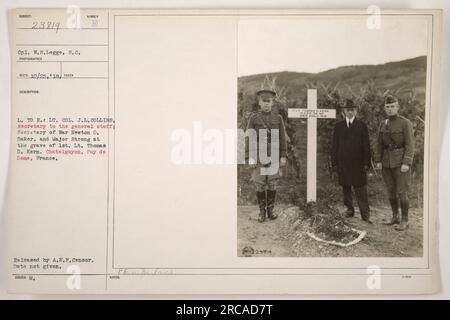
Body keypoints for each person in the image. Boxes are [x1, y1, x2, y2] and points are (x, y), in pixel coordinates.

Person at [246, 87, 287, 222]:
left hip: (274, 155)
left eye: (269, 101)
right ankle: (261, 212)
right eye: (264, 101)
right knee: (259, 183)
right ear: (259, 103)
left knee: (272, 183)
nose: (266, 104)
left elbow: (282, 138)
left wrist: (283, 155)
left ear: (273, 102)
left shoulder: (278, 118)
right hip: (258, 156)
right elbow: (249, 138)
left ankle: (270, 210)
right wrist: (250, 157)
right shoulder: (254, 118)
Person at [374, 95, 415, 231]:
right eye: (388, 107)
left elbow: (410, 145)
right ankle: (395, 216)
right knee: (391, 191)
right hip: (386, 163)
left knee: (402, 192)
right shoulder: (383, 123)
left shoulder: (405, 123)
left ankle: (405, 220)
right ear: (385, 108)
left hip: (400, 162)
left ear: (397, 107)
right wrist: (378, 160)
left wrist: (406, 162)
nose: (390, 109)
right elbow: (379, 144)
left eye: (392, 106)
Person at [331, 99, 372, 223]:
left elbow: (366, 146)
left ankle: (365, 214)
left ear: (355, 111)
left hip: (358, 164)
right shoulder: (338, 126)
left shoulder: (361, 126)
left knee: (360, 188)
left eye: (352, 110)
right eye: (347, 110)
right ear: (344, 111)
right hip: (343, 163)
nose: (350, 112)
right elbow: (334, 146)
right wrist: (334, 163)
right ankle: (349, 210)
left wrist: (366, 163)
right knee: (346, 187)